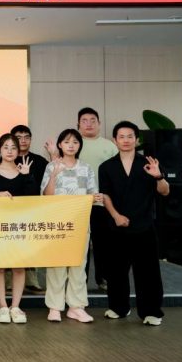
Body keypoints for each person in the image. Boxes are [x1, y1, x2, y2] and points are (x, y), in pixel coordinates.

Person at [99, 121, 169, 326]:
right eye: (121, 137)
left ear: (137, 140)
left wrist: (158, 176)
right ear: (115, 140)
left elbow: (165, 191)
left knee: (148, 273)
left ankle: (151, 312)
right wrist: (115, 216)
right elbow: (105, 195)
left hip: (144, 226)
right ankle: (119, 308)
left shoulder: (149, 164)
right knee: (116, 272)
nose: (126, 140)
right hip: (117, 226)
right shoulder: (106, 166)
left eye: (130, 136)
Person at [42, 129, 102, 323]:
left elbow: (93, 194)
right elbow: (46, 196)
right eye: (67, 141)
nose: (71, 145)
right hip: (57, 222)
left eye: (75, 142)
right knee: (56, 265)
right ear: (60, 145)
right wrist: (54, 175)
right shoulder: (52, 166)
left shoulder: (86, 167)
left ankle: (76, 307)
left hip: (80, 222)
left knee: (78, 265)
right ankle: (54, 307)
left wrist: (95, 197)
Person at [55, 107, 118, 293]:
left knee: (102, 243)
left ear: (99, 123)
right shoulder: (74, 144)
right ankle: (78, 282)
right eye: (84, 120)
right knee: (78, 244)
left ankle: (103, 278)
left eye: (92, 120)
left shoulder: (110, 146)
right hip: (76, 206)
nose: (89, 124)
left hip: (101, 202)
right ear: (78, 124)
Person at [0, 133, 38, 324]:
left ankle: (15, 306)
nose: (9, 151)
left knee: (19, 266)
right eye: (6, 147)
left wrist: (27, 175)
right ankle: (2, 306)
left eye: (13, 147)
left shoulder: (24, 172)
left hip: (20, 226)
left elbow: (33, 198)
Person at [11, 124, 49, 295]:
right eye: (19, 137)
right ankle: (9, 283)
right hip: (10, 209)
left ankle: (32, 282)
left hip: (33, 209)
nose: (23, 140)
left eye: (26, 137)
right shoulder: (7, 158)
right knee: (10, 244)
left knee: (31, 245)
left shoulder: (40, 161)